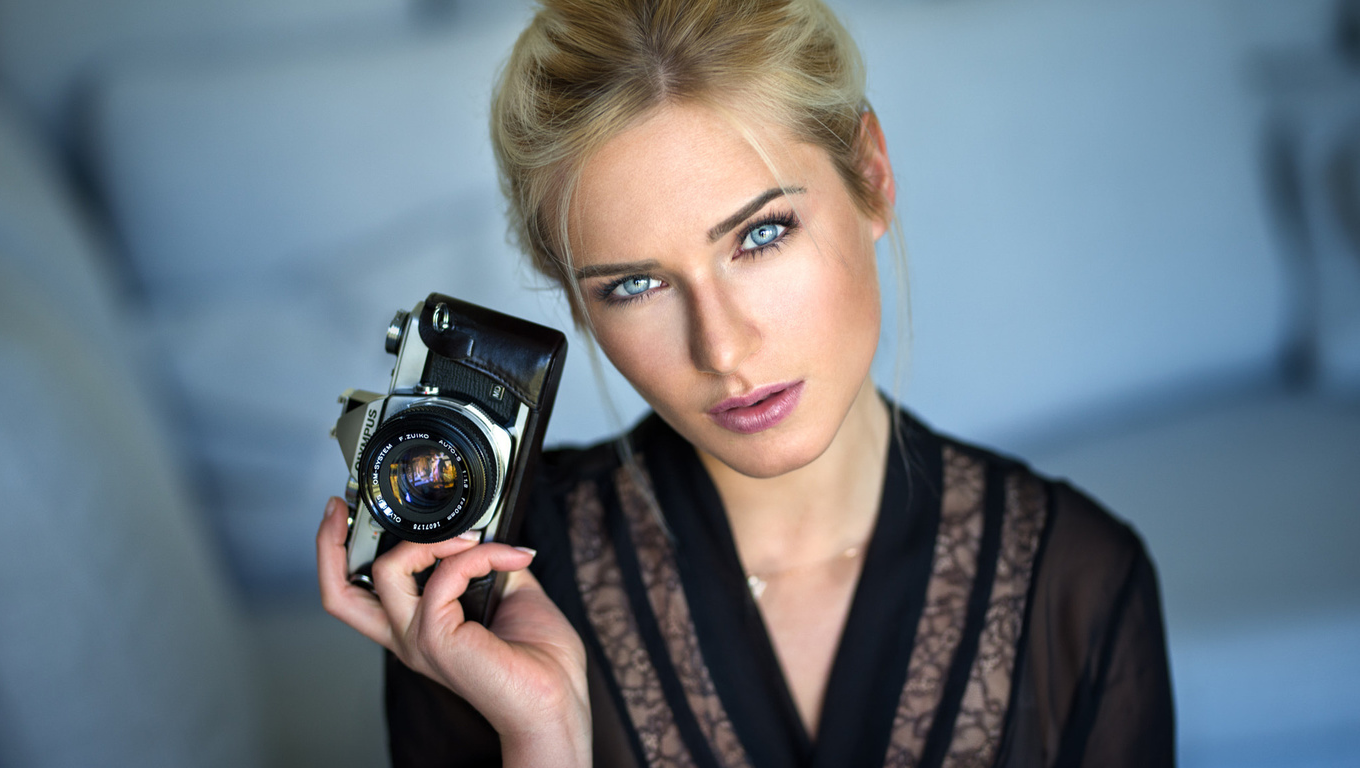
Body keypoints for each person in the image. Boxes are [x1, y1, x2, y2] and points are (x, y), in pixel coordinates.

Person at [317, 0, 1175, 765]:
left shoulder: (1080, 584)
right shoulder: (480, 583)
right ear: (577, 305)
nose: (722, 348)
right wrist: (542, 737)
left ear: (871, 175)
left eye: (760, 236)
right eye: (634, 284)